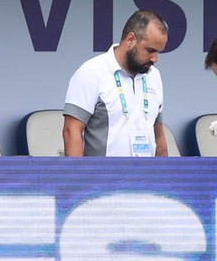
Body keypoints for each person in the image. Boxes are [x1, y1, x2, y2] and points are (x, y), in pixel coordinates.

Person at [63, 10, 169, 157]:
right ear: (131, 39)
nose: (155, 59)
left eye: (159, 52)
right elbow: (71, 132)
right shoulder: (91, 72)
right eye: (150, 50)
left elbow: (159, 136)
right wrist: (79, 178)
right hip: (102, 178)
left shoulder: (154, 76)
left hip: (145, 178)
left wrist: (162, 177)